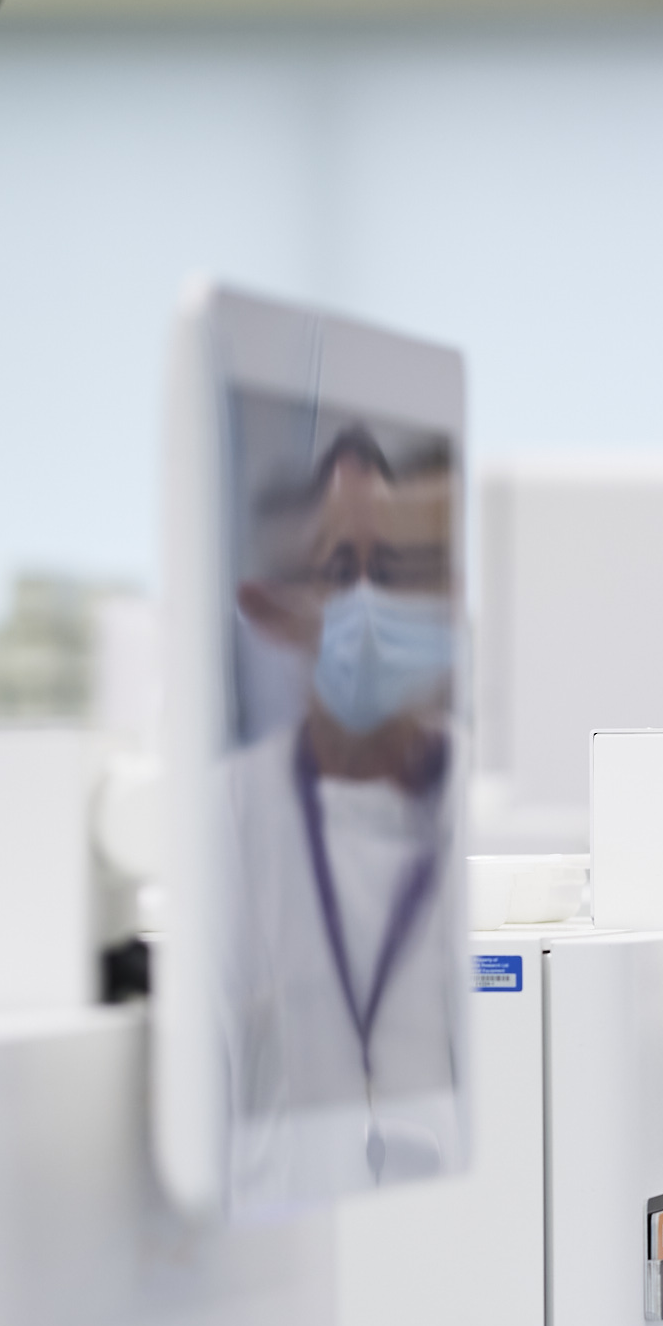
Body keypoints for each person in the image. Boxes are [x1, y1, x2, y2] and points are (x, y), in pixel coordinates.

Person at [212, 417, 468, 1209]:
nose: (367, 601)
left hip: (454, 1253)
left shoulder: (462, 799)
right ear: (277, 607)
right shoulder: (234, 812)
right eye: (338, 569)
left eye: (389, 569)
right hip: (289, 1257)